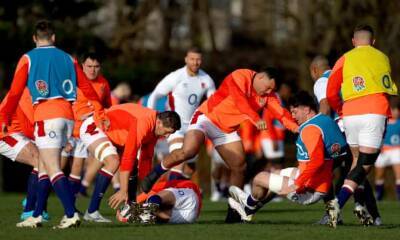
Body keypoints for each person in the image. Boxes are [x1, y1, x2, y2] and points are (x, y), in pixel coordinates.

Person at [141, 68, 299, 222]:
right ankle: (155, 173)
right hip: (207, 117)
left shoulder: (268, 94)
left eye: (272, 89)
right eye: (268, 87)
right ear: (260, 77)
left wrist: (299, 128)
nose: (268, 91)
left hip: (226, 130)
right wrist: (255, 119)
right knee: (188, 151)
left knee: (239, 166)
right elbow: (240, 101)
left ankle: (234, 212)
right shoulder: (240, 76)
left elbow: (281, 114)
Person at [0, 20, 103, 228]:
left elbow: (14, 93)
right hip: (67, 116)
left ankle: (71, 213)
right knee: (45, 166)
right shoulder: (69, 58)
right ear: (54, 37)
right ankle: (36, 215)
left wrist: (4, 117)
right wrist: (99, 109)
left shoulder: (28, 58)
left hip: (47, 115)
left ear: (34, 38)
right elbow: (86, 86)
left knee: (53, 168)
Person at [228, 91, 349, 223]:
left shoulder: (310, 129)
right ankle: (248, 210)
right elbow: (341, 150)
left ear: (307, 109)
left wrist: (297, 184)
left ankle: (247, 205)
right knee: (275, 174)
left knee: (259, 178)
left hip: (308, 190)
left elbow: (317, 161)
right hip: (319, 183)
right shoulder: (326, 120)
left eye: (295, 112)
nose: (293, 116)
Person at [326, 24, 398, 227]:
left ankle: (360, 206)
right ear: (373, 42)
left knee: (356, 162)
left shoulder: (345, 58)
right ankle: (337, 203)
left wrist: (339, 109)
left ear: (353, 41)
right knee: (365, 165)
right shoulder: (382, 57)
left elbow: (332, 89)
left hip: (349, 113)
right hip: (374, 111)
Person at [79, 103, 180, 222]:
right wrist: (123, 190)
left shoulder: (155, 127)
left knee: (132, 166)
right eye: (167, 132)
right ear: (159, 122)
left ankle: (131, 207)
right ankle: (91, 212)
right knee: (113, 162)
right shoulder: (144, 122)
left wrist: (145, 189)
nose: (167, 136)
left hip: (113, 135)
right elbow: (128, 156)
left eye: (170, 134)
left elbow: (146, 158)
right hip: (95, 126)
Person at [147, 47, 215, 180]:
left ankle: (166, 190)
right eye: (192, 59)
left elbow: (213, 104)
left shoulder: (206, 79)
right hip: (175, 126)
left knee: (190, 169)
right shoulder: (176, 77)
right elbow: (154, 95)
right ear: (186, 59)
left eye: (198, 59)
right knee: (178, 160)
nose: (195, 62)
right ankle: (167, 194)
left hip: (193, 126)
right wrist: (151, 119)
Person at [62, 52, 113, 203]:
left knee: (78, 166)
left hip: (86, 132)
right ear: (82, 66)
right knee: (58, 166)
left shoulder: (103, 84)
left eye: (96, 67)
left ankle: (70, 205)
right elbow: (62, 104)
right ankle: (37, 201)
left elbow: (107, 106)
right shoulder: (72, 81)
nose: (92, 70)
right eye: (89, 66)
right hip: (68, 129)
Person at [0, 89, 46, 221]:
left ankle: (34, 203)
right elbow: (29, 127)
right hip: (5, 134)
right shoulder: (25, 92)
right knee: (39, 161)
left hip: (18, 133)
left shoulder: (39, 90)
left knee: (45, 162)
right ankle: (29, 210)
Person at [118, 179, 201, 224]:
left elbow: (152, 198)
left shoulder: (152, 188)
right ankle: (136, 216)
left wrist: (126, 210)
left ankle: (136, 216)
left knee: (155, 199)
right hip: (191, 216)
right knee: (158, 216)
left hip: (190, 200)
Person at [375, 100, 400, 201]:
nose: (395, 112)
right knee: (379, 175)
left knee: (399, 173)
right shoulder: (383, 122)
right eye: (393, 110)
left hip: (396, 150)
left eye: (397, 110)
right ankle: (379, 195)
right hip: (383, 151)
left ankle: (399, 196)